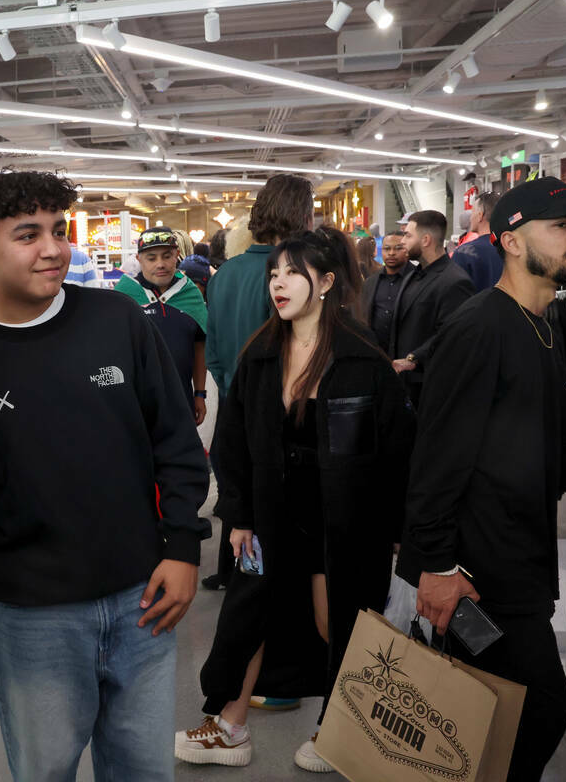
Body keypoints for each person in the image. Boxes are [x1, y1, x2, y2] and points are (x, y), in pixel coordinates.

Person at [0, 171, 211, 782]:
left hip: (144, 599)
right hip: (33, 619)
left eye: (58, 230)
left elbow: (177, 444)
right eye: (28, 234)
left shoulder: (118, 320)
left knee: (142, 771)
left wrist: (184, 546)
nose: (53, 248)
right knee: (44, 771)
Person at [398, 176, 566, 782]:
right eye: (561, 225)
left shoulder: (546, 326)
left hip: (519, 564)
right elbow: (435, 457)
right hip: (477, 576)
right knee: (539, 711)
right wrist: (434, 566)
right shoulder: (481, 327)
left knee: (499, 720)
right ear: (511, 241)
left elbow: (562, 452)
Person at [176, 229, 413, 773]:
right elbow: (232, 444)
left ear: (326, 282)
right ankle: (230, 725)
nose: (278, 283)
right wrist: (237, 515)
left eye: (292, 273)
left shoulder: (362, 360)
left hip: (342, 520)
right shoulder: (261, 354)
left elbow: (398, 451)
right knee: (247, 613)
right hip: (267, 515)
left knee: (340, 621)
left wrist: (400, 528)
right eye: (274, 273)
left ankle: (341, 727)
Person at [202, 173, 313, 596]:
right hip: (281, 412)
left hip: (233, 399)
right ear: (301, 214)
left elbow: (213, 350)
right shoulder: (290, 277)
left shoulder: (225, 273)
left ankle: (234, 574)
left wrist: (231, 387)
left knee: (237, 487)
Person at [116, 226, 209, 426]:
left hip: (181, 400)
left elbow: (199, 346)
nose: (161, 264)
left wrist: (200, 393)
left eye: (167, 256)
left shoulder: (190, 293)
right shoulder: (123, 295)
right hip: (135, 404)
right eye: (151, 258)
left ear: (177, 255)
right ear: (139, 259)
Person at [389, 210, 473, 409]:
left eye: (408, 236)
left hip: (429, 385)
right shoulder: (413, 274)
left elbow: (451, 333)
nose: (402, 242)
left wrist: (413, 358)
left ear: (425, 240)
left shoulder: (455, 281)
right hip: (404, 384)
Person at [361, 230, 414, 352]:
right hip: (376, 352)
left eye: (398, 248)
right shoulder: (371, 282)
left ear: (407, 250)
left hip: (408, 354)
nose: (391, 253)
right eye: (387, 248)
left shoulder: (419, 279)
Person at [451, 192, 504, 292]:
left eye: (472, 212)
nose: (470, 218)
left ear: (480, 216)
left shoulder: (464, 253)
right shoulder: (513, 248)